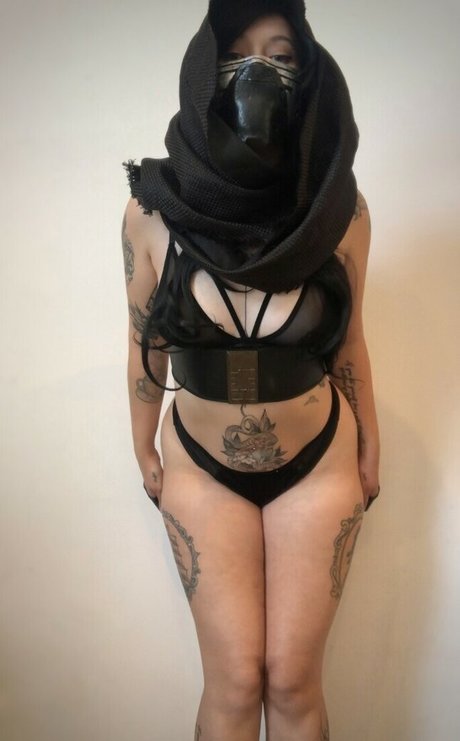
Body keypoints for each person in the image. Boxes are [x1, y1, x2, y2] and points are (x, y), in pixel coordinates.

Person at [121, 1, 380, 738]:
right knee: (234, 681)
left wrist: (371, 442)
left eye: (282, 55)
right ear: (204, 71)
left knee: (293, 682)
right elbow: (143, 338)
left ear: (310, 73)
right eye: (236, 52)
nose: (259, 71)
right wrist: (142, 443)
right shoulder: (152, 210)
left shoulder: (341, 210)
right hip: (200, 468)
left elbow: (351, 341)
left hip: (318, 463)